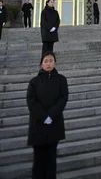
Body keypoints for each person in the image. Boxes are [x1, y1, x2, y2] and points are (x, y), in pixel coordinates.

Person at [27, 51, 69, 179]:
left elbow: (63, 98)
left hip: (54, 124)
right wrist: (43, 116)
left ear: (55, 62)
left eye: (51, 60)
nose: (48, 63)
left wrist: (51, 115)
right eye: (46, 61)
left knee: (51, 160)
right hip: (38, 125)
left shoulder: (61, 79)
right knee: (38, 160)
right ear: (41, 64)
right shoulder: (34, 82)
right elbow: (31, 101)